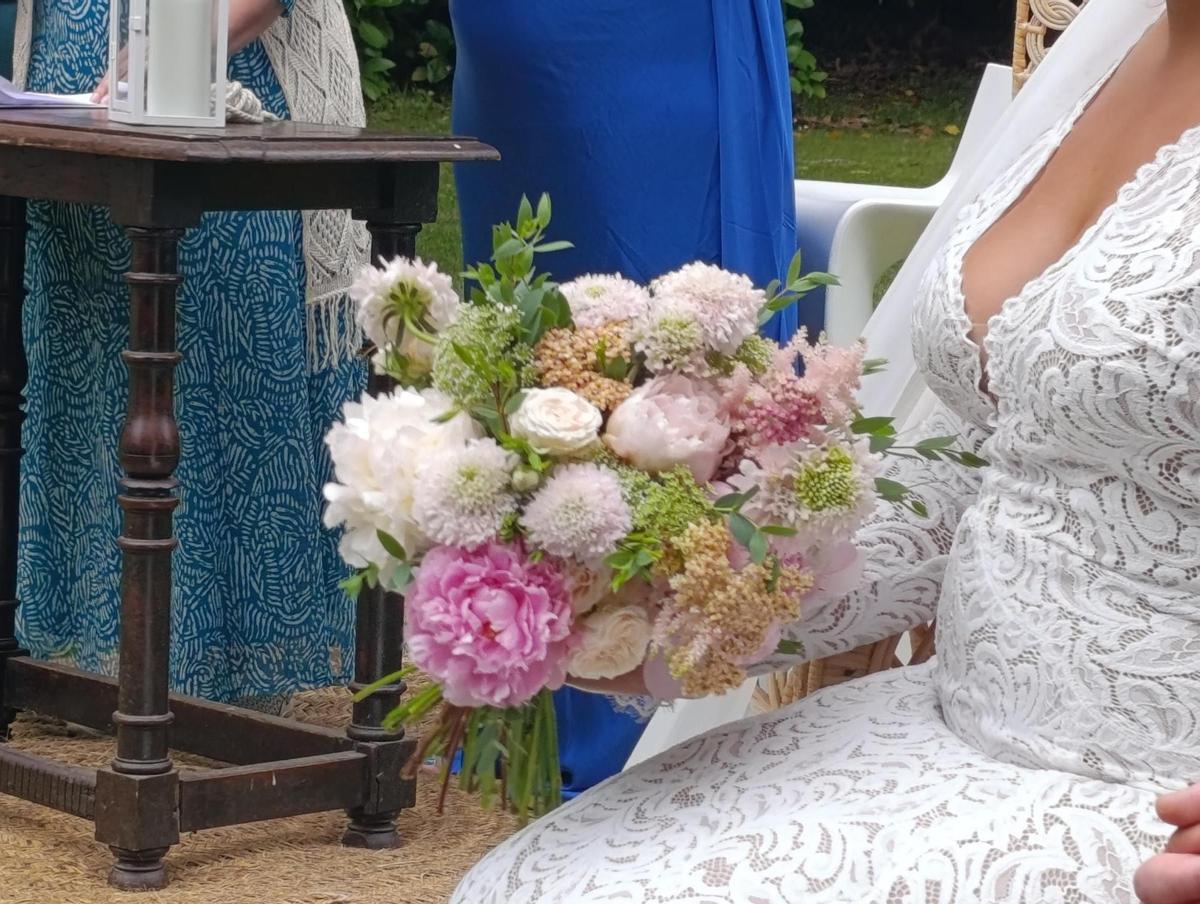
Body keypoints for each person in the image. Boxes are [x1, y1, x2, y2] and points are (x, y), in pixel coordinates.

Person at [451, 0, 1200, 898]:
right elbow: (984, 474)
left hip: (1150, 801)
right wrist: (665, 596)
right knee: (530, 883)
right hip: (941, 727)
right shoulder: (1112, 48)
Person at [450, 0, 805, 798]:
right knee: (529, 333)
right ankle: (524, 672)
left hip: (644, 39)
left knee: (660, 327)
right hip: (517, 59)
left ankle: (635, 687)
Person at [11, 0, 368, 708]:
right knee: (92, 380)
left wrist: (172, 57)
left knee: (221, 363)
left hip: (210, 89)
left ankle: (235, 675)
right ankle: (104, 659)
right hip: (70, 109)